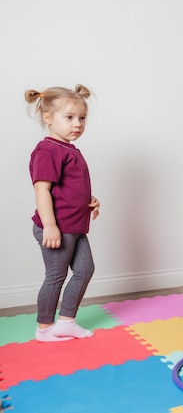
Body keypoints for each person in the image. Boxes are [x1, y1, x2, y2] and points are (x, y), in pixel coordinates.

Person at [26, 84, 101, 342]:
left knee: (85, 269)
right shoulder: (48, 150)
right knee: (56, 276)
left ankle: (67, 322)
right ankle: (44, 328)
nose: (77, 124)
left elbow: (68, 188)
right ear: (48, 118)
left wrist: (88, 200)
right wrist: (49, 225)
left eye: (82, 118)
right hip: (58, 227)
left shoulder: (68, 149)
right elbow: (42, 190)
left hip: (75, 225)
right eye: (69, 117)